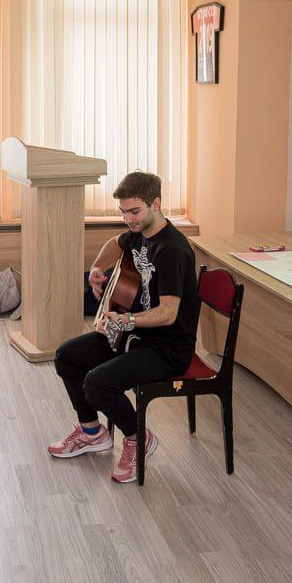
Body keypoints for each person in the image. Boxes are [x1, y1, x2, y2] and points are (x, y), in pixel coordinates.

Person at [48, 171, 200, 484]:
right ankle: (92, 432)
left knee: (97, 383)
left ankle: (138, 438)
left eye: (134, 211)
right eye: (123, 212)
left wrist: (126, 320)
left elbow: (169, 313)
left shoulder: (172, 250)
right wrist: (96, 268)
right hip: (136, 336)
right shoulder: (138, 233)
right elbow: (114, 244)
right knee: (66, 356)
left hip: (167, 348)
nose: (128, 219)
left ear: (156, 204)